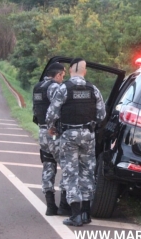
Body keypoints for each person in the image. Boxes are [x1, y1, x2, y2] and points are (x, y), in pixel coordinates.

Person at [46, 58, 106, 226]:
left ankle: (75, 215)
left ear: (71, 70)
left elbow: (52, 113)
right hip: (88, 135)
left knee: (71, 173)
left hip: (69, 135)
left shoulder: (64, 88)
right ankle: (86, 214)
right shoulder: (93, 89)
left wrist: (51, 127)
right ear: (85, 71)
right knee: (87, 172)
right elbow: (101, 115)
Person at [32, 62, 71, 216]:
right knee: (67, 166)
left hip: (42, 132)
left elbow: (36, 110)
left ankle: (50, 206)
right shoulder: (54, 87)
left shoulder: (38, 87)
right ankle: (63, 205)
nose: (63, 79)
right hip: (53, 132)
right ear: (58, 74)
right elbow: (57, 109)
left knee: (48, 166)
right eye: (63, 76)